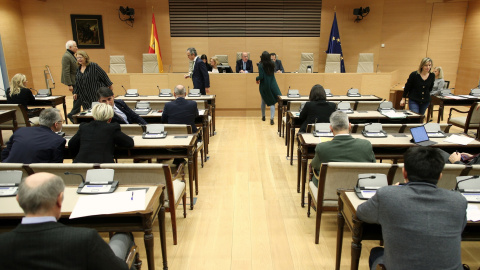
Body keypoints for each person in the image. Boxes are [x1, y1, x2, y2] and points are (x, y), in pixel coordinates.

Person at [357, 147, 467, 270]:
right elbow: (460, 229)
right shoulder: (459, 201)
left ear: (404, 172)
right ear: (440, 176)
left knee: (377, 252)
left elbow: (362, 213)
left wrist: (392, 190)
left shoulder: (387, 195)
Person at [0, 172, 133, 270]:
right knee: (123, 236)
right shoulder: (85, 239)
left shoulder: (3, 244)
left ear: (18, 199)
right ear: (59, 199)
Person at [310, 111, 375, 187]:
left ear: (331, 128)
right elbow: (373, 165)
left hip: (330, 188)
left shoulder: (322, 147)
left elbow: (315, 165)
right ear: (350, 126)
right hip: (358, 187)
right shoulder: (366, 145)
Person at [68, 103, 134, 163]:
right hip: (104, 168)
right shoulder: (112, 128)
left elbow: (71, 144)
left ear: (94, 117)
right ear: (110, 119)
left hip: (80, 166)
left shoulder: (84, 127)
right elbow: (129, 143)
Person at [2, 108, 66, 163]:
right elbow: (55, 166)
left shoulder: (21, 131)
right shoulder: (58, 140)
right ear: (56, 124)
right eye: (62, 121)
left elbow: (5, 152)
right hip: (35, 175)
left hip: (7, 173)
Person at [256, 51, 282, 125]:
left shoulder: (260, 65)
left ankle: (263, 116)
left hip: (264, 86)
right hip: (272, 85)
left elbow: (261, 77)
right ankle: (272, 119)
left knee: (263, 101)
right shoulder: (272, 63)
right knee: (272, 102)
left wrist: (256, 78)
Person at [61, 40, 80, 123]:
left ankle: (75, 114)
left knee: (79, 98)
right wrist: (69, 84)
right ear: (70, 47)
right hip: (73, 82)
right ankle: (73, 114)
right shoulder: (66, 56)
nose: (77, 48)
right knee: (78, 98)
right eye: (75, 46)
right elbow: (66, 71)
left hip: (76, 80)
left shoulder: (71, 55)